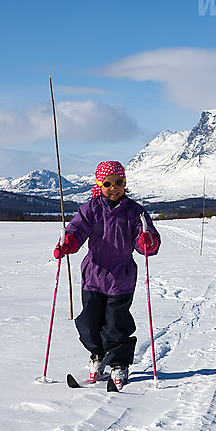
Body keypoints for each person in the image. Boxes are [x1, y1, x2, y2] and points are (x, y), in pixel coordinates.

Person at [53, 160, 161, 390]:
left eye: (119, 183)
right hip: (93, 275)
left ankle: (119, 364)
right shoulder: (91, 208)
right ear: (99, 185)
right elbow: (77, 229)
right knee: (89, 323)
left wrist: (146, 242)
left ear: (125, 183)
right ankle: (98, 356)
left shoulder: (134, 211)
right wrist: (68, 243)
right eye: (108, 183)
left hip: (121, 277)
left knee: (116, 323)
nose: (114, 188)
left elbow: (147, 236)